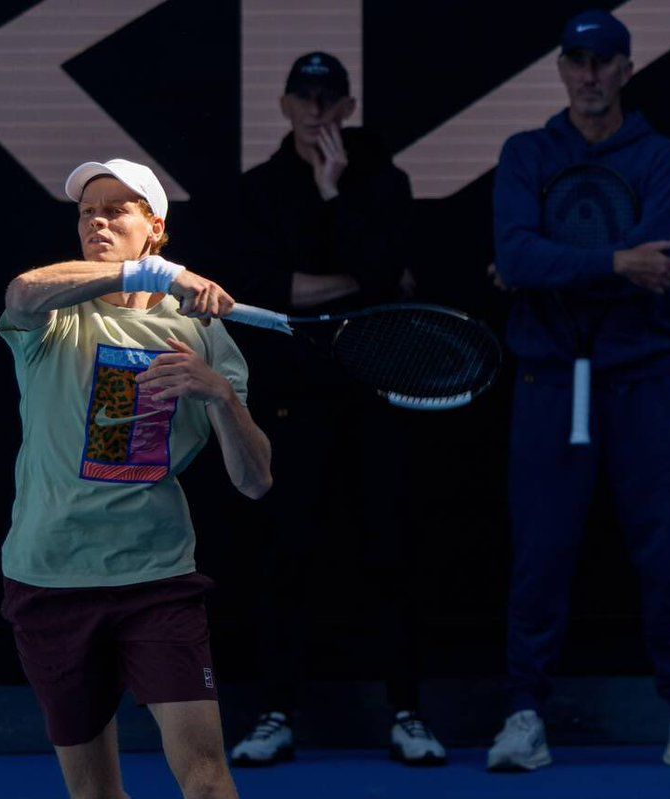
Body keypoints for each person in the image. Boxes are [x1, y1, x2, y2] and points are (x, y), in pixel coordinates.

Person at [486, 10, 670, 772]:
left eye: (603, 62)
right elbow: (514, 254)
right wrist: (612, 265)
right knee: (541, 552)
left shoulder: (659, 157)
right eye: (576, 61)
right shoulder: (526, 152)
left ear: (625, 70)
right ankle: (523, 713)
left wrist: (548, 267)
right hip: (549, 376)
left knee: (663, 550)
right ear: (561, 70)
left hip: (644, 379)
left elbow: (648, 260)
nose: (589, 74)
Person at [0, 157, 273, 799]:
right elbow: (21, 292)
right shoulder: (58, 316)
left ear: (154, 225)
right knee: (94, 794)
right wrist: (160, 273)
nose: (97, 221)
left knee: (206, 781)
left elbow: (255, 480)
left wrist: (218, 397)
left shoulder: (201, 333)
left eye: (116, 210)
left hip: (155, 578)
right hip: (50, 577)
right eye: (87, 212)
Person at [218, 51, 445, 766]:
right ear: (284, 105)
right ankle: (275, 711)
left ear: (347, 107)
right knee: (286, 555)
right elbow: (259, 292)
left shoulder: (384, 181)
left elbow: (389, 278)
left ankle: (407, 710)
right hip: (293, 401)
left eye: (329, 99)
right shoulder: (256, 190)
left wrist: (333, 192)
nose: (317, 111)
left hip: (375, 392)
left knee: (391, 551)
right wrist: (349, 283)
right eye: (304, 98)